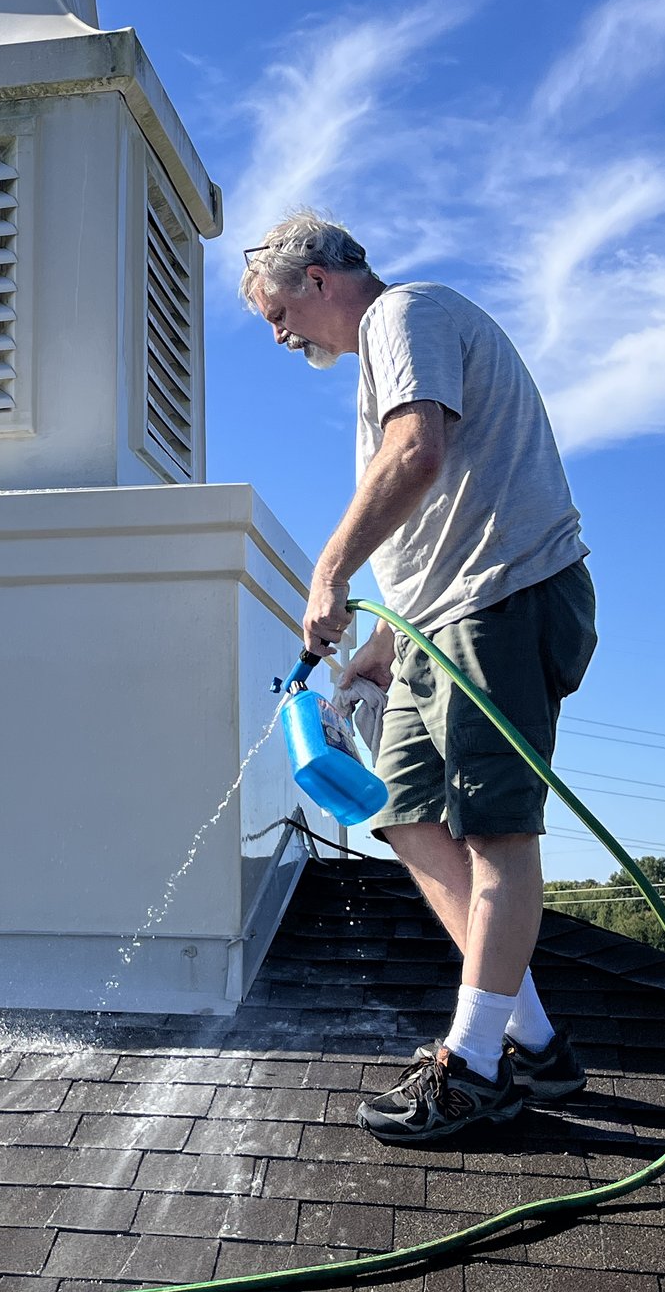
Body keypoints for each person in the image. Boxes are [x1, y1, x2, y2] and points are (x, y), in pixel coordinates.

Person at [241, 211, 598, 1144]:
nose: (280, 335)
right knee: (400, 810)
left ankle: (473, 1067)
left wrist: (328, 575)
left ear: (318, 277)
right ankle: (536, 1044)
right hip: (440, 625)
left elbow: (419, 454)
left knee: (494, 831)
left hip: (505, 601)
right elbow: (434, 524)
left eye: (279, 311)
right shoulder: (376, 363)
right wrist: (372, 654)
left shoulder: (407, 314)